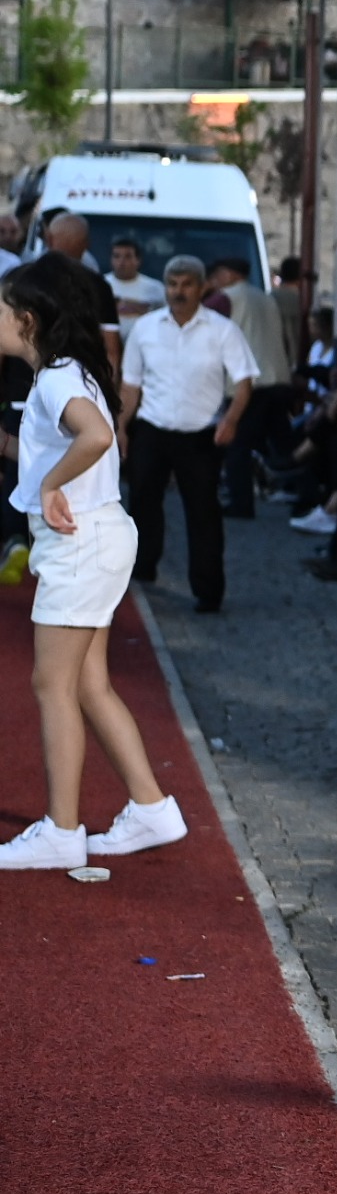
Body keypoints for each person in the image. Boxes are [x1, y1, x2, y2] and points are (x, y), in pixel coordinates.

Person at [0, 263, 186, 870]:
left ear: (27, 320)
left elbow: (97, 436)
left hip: (81, 544)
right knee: (87, 684)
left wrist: (52, 484)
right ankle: (152, 808)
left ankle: (61, 829)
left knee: (51, 685)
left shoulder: (56, 378)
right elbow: (71, 442)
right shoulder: (66, 372)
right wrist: (42, 475)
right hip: (98, 538)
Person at [117, 255, 257, 616]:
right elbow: (131, 385)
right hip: (152, 427)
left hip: (200, 435)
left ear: (201, 287)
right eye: (172, 284)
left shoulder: (223, 330)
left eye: (186, 285)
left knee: (203, 513)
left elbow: (244, 381)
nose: (178, 292)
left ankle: (208, 591)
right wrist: (120, 427)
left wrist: (232, 420)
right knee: (143, 501)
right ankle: (143, 565)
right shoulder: (145, 329)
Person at [205, 255, 295, 518]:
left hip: (249, 383)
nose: (213, 281)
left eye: (217, 275)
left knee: (238, 445)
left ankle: (240, 502)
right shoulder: (266, 297)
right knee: (283, 443)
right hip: (278, 377)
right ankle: (307, 492)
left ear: (229, 274)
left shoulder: (225, 298)